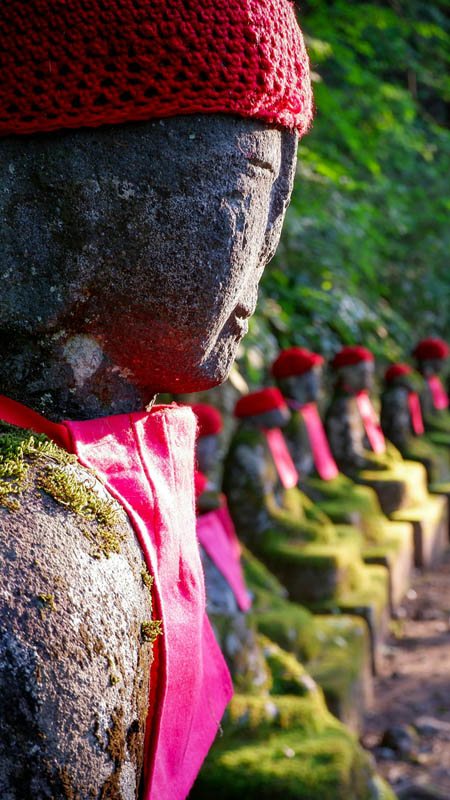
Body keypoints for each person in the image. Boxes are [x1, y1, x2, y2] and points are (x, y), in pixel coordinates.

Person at [0, 1, 313, 797]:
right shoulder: (27, 555)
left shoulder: (79, 489)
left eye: (279, 198)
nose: (265, 245)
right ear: (34, 219)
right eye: (243, 189)